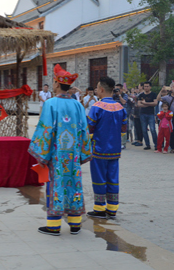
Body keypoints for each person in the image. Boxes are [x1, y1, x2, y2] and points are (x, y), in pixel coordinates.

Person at [28, 64, 91, 236]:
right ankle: (75, 224)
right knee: (74, 184)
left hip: (56, 155)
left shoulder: (50, 104)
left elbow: (45, 129)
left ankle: (54, 226)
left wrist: (42, 155)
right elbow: (84, 129)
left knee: (56, 186)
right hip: (73, 154)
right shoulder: (78, 105)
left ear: (56, 84)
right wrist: (83, 152)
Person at [87, 77, 127, 220]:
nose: (96, 90)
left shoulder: (97, 107)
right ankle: (112, 208)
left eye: (97, 88)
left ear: (102, 89)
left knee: (99, 178)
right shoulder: (120, 107)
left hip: (99, 149)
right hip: (115, 150)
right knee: (113, 178)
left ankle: (99, 208)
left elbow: (89, 128)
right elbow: (123, 129)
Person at [158, 83, 174, 153]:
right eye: (173, 86)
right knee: (172, 132)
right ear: (171, 88)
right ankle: (173, 147)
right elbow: (158, 99)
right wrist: (161, 91)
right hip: (171, 116)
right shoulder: (167, 97)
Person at [137, 81, 158, 150]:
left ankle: (156, 144)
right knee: (144, 130)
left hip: (151, 114)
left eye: (147, 86)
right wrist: (148, 104)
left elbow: (155, 103)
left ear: (150, 87)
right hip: (142, 114)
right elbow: (139, 104)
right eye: (145, 86)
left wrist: (145, 103)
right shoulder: (141, 95)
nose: (146, 88)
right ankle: (147, 144)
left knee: (152, 129)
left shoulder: (153, 94)